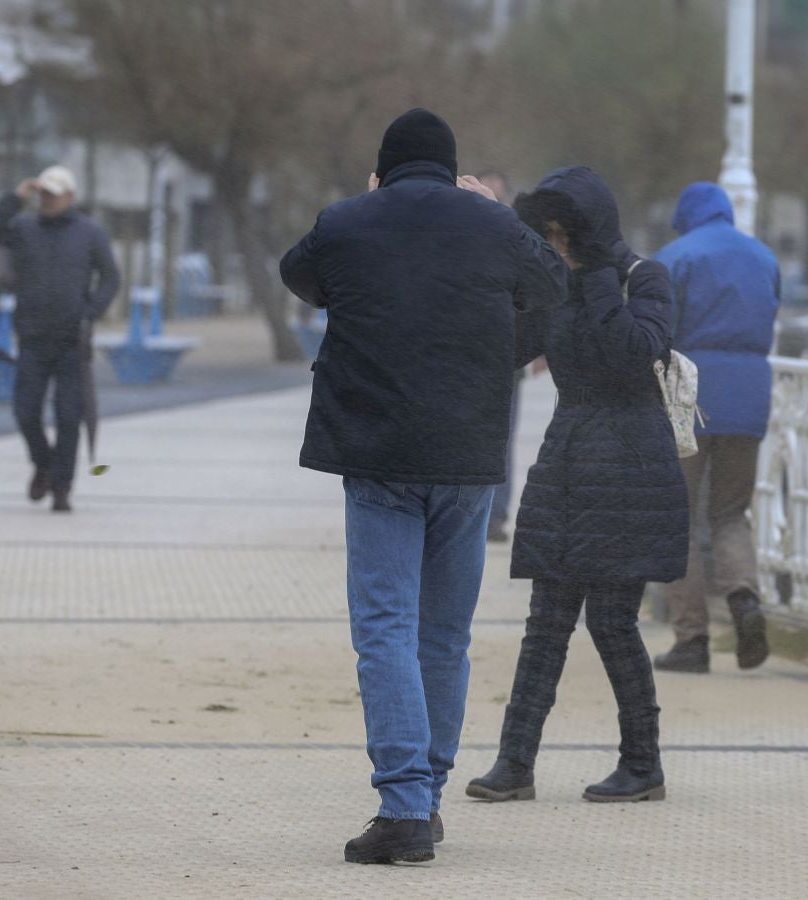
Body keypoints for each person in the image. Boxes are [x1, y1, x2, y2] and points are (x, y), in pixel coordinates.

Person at [280, 108, 568, 864]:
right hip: (466, 457)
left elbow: (299, 276)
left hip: (378, 452)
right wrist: (493, 212)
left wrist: (371, 212)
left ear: (383, 169)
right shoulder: (491, 224)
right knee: (444, 635)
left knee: (384, 628)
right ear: (450, 169)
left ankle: (404, 806)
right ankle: (426, 798)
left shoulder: (348, 220)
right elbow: (552, 285)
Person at [465, 166, 689, 806]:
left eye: (566, 235)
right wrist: (496, 245)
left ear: (591, 232)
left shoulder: (643, 277)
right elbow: (505, 348)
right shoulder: (555, 284)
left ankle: (642, 764)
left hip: (632, 465)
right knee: (545, 622)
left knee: (613, 622)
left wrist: (593, 276)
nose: (558, 245)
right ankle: (514, 764)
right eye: (550, 234)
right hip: (567, 461)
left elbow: (634, 351)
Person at [653, 182, 780, 674]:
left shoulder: (675, 257)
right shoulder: (764, 257)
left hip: (688, 394)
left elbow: (657, 332)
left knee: (676, 519)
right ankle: (744, 599)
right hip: (749, 398)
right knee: (730, 512)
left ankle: (692, 640)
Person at [0, 165, 120, 513]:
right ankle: (43, 463)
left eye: (54, 194)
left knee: (69, 416)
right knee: (25, 412)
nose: (47, 199)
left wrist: (90, 313)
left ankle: (62, 487)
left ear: (70, 197)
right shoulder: (24, 228)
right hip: (33, 336)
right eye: (43, 193)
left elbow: (110, 278)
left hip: (72, 339)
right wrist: (16, 197)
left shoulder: (89, 232)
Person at [477, 170, 523, 544]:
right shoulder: (454, 237)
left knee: (501, 440)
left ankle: (494, 517)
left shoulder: (514, 238)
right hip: (466, 359)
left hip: (505, 361)